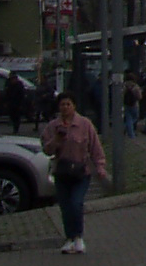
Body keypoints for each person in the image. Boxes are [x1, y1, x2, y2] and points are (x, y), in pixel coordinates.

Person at [41, 92, 108, 254]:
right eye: (62, 105)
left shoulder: (85, 124)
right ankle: (69, 238)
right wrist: (57, 139)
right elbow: (47, 150)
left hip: (81, 172)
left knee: (76, 203)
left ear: (74, 106)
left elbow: (95, 147)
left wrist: (100, 166)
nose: (65, 108)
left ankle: (78, 237)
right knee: (65, 207)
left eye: (68, 104)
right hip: (62, 173)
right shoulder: (52, 126)